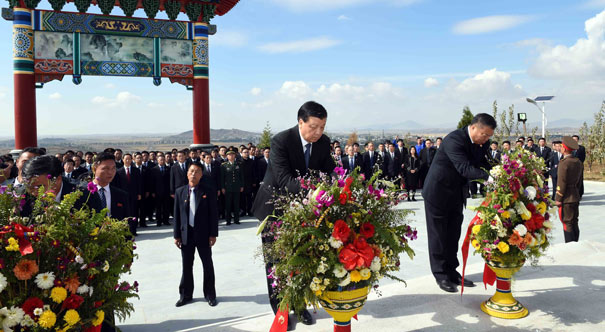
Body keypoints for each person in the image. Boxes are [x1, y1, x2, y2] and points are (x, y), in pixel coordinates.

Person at [252, 101, 335, 330]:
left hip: (305, 209)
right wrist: (318, 191)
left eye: (323, 127)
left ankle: (299, 305)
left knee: (302, 259)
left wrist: (338, 185)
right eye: (314, 127)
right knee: (276, 264)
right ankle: (280, 311)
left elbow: (329, 171)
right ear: (301, 122)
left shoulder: (324, 142)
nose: (318, 132)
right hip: (274, 210)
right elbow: (285, 181)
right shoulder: (281, 141)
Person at [423, 113, 496, 293]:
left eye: (489, 136)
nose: (486, 139)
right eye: (484, 135)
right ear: (473, 128)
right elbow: (464, 168)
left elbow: (486, 163)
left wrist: (502, 170)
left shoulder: (482, 143)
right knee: (438, 235)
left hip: (456, 193)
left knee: (453, 233)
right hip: (438, 192)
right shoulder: (454, 140)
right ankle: (440, 274)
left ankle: (452, 271)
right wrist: (489, 177)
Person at [173, 162, 219, 308]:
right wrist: (176, 235)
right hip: (186, 234)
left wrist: (213, 234)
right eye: (191, 171)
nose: (194, 174)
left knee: (207, 265)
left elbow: (213, 214)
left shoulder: (208, 191)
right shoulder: (180, 192)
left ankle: (210, 295)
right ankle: (185, 295)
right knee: (186, 266)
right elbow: (177, 216)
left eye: (197, 171)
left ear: (201, 175)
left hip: (204, 234)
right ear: (187, 173)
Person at [555, 136, 583, 243]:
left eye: (561, 146)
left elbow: (561, 182)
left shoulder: (564, 163)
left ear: (565, 149)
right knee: (574, 221)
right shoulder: (578, 162)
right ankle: (576, 242)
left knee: (567, 222)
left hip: (566, 197)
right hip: (575, 195)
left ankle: (570, 245)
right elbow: (580, 181)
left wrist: (558, 198)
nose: (560, 148)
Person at [116, 153, 143, 236]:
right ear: (123, 160)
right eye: (126, 159)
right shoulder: (119, 171)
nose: (127, 160)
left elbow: (139, 183)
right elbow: (118, 185)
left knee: (134, 212)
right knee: (124, 213)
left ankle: (133, 230)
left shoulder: (136, 170)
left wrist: (139, 193)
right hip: (123, 196)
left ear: (132, 160)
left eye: (129, 159)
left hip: (134, 195)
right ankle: (125, 231)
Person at [221, 148, 244, 225]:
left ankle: (236, 219)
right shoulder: (224, 166)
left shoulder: (239, 164)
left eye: (233, 154)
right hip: (228, 188)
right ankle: (228, 220)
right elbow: (222, 178)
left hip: (237, 187)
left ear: (235, 155)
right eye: (229, 155)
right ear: (227, 156)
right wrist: (222, 187)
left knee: (236, 204)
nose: (231, 156)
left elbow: (242, 176)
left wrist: (242, 186)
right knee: (228, 205)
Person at [150, 155, 172, 227]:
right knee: (158, 208)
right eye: (160, 160)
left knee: (166, 207)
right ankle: (158, 221)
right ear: (158, 160)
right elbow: (152, 182)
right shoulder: (154, 170)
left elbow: (170, 181)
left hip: (166, 191)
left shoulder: (169, 169)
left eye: (163, 160)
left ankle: (166, 220)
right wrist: (152, 191)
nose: (162, 161)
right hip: (157, 192)